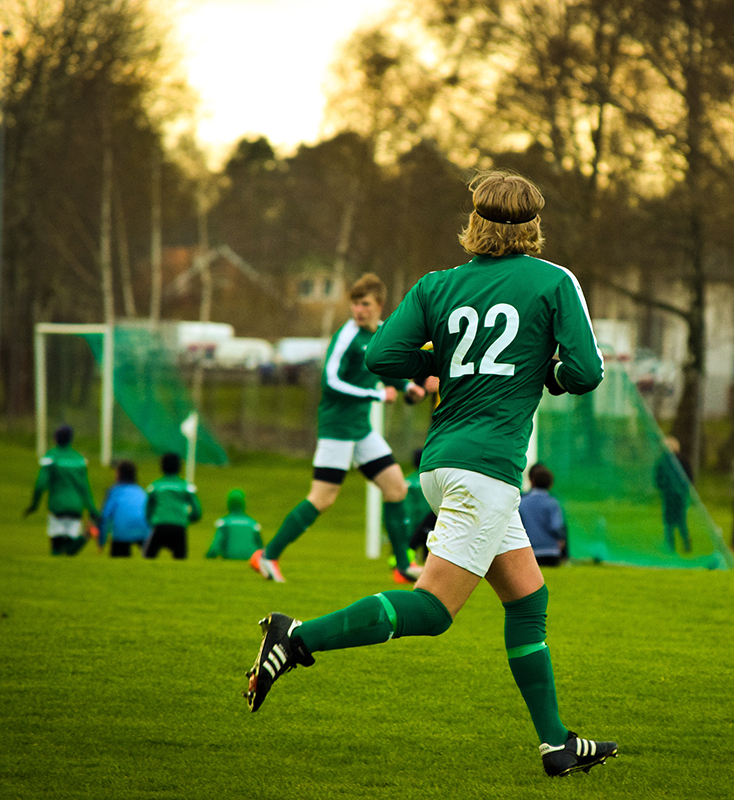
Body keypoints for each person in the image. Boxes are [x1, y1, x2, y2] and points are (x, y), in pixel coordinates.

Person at [243, 171, 618, 778]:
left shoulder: (436, 286)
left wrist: (444, 358)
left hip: (442, 463)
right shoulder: (553, 281)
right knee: (434, 611)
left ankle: (556, 744)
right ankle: (297, 636)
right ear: (532, 227)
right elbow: (586, 371)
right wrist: (540, 373)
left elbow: (382, 358)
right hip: (486, 471)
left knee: (527, 597)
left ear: (474, 224)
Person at [250, 273, 427, 584]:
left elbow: (386, 367)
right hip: (336, 429)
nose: (358, 311)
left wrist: (407, 387)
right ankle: (268, 555)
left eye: (365, 304)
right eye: (355, 304)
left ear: (379, 306)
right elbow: (329, 383)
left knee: (396, 488)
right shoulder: (346, 336)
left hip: (360, 429)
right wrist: (376, 394)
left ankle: (402, 565)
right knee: (322, 498)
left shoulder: (383, 333)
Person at [24, 424, 100, 556]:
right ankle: (86, 535)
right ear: (71, 439)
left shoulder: (51, 457)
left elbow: (40, 485)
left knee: (57, 547)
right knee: (69, 550)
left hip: (57, 507)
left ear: (55, 438)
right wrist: (92, 509)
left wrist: (34, 505)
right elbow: (85, 488)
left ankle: (85, 536)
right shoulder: (79, 460)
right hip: (75, 508)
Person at [143, 452, 202, 559]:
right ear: (179, 467)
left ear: (162, 467)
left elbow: (148, 507)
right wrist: (188, 518)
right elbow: (197, 510)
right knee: (180, 560)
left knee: (148, 557)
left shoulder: (155, 486)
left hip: (160, 526)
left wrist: (151, 520)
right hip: (179, 528)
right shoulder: (185, 486)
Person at [98, 459, 151, 557]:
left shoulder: (114, 491)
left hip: (123, 531)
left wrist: (101, 541)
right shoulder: (141, 491)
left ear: (120, 474)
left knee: (119, 559)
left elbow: (105, 516)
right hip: (143, 530)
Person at [519, 463, 568, 566]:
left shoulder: (522, 502)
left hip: (529, 552)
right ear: (550, 483)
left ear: (531, 481)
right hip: (551, 552)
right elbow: (556, 526)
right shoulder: (552, 503)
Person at [653, 436, 692, 553]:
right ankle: (685, 543)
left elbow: (658, 480)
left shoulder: (664, 462)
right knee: (679, 520)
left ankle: (672, 547)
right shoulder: (681, 461)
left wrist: (665, 488)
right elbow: (690, 478)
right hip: (678, 496)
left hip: (670, 496)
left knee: (670, 521)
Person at [206, 489, 263, 560]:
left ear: (229, 503)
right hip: (250, 558)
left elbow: (215, 546)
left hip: (230, 557)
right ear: (243, 503)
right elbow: (260, 547)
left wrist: (210, 556)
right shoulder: (253, 524)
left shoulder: (224, 522)